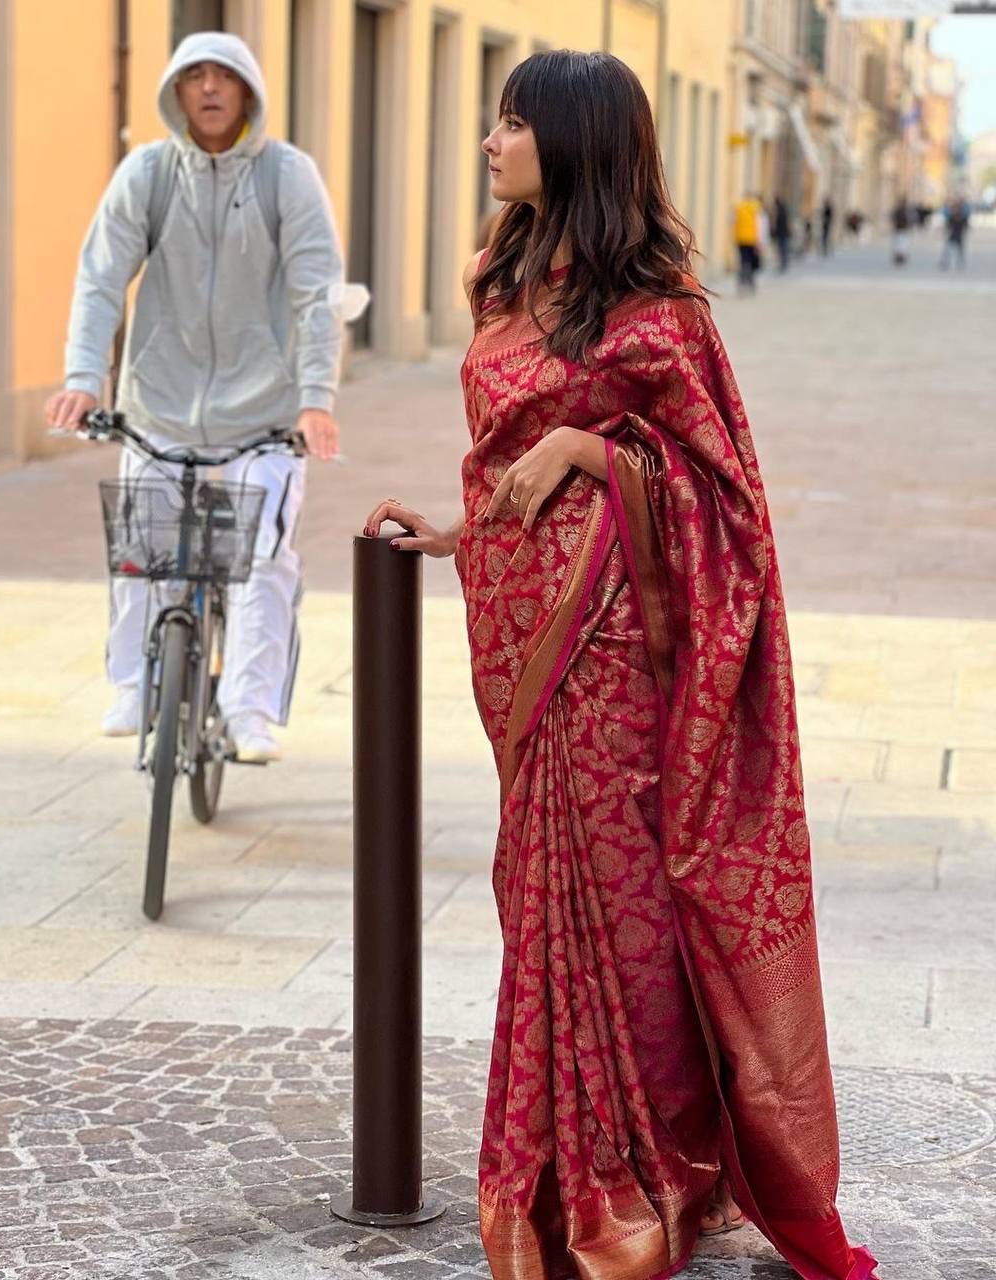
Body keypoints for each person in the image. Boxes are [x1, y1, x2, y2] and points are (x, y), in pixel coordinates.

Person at [365, 50, 877, 1280]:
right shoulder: (504, 285)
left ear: (577, 142)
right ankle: (554, 1170)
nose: (490, 141)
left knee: (624, 923)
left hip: (616, 674)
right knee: (540, 914)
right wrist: (458, 533)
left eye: (512, 122)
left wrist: (601, 455)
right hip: (526, 660)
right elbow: (501, 461)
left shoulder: (662, 317)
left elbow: (729, 509)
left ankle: (648, 1179)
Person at [45, 33, 354, 763]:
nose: (210, 89)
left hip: (265, 413)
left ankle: (248, 710)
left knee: (266, 554)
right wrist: (84, 378)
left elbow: (317, 294)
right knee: (141, 551)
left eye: (224, 76)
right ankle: (133, 684)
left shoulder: (288, 176)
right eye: (195, 78)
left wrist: (316, 399)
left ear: (248, 91)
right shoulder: (148, 173)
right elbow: (99, 279)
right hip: (159, 403)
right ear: (177, 93)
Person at [733, 191, 764, 294]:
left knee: (743, 261)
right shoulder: (756, 209)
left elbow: (733, 222)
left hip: (740, 239)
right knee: (751, 263)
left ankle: (741, 284)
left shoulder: (739, 208)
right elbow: (760, 226)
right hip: (752, 240)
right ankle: (751, 284)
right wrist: (760, 242)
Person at [940, 197, 970, 270]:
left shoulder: (962, 217)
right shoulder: (951, 216)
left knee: (960, 251)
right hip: (952, 235)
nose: (955, 210)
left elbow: (966, 226)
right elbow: (947, 225)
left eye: (956, 208)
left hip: (959, 235)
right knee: (948, 249)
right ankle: (945, 262)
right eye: (954, 209)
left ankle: (960, 263)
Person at [771, 195, 792, 272]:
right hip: (783, 233)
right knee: (783, 249)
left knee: (783, 249)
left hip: (782, 233)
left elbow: (779, 223)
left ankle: (784, 263)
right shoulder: (783, 210)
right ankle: (784, 263)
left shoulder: (779, 210)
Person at [891, 196, 912, 267]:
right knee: (901, 245)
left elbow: (893, 219)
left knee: (900, 245)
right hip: (901, 230)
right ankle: (900, 258)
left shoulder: (900, 211)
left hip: (900, 230)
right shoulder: (904, 211)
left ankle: (900, 258)